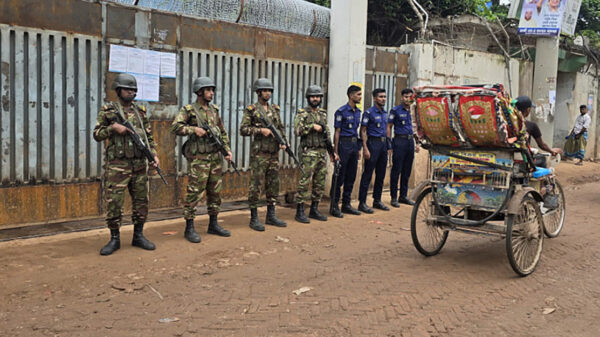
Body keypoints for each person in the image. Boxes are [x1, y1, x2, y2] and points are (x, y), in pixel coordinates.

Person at [93, 73, 158, 256]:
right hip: (118, 165)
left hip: (139, 164)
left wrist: (154, 155)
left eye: (133, 90)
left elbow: (148, 137)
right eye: (127, 89)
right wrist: (113, 128)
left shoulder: (140, 112)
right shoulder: (108, 111)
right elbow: (97, 134)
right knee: (115, 203)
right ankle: (114, 238)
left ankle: (138, 235)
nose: (131, 92)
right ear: (118, 90)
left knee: (141, 201)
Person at [170, 77, 233, 243]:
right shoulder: (189, 110)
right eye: (208, 90)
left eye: (212, 90)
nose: (211, 93)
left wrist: (227, 150)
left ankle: (213, 224)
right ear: (199, 91)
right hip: (199, 159)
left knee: (215, 192)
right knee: (194, 192)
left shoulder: (214, 110)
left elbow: (222, 132)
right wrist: (193, 129)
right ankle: (189, 227)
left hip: (215, 158)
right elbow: (175, 127)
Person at [240, 78, 288, 231]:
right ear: (259, 92)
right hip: (259, 154)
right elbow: (243, 129)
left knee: (273, 184)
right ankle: (254, 218)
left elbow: (280, 128)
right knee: (256, 186)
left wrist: (284, 142)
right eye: (265, 90)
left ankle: (271, 215)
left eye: (270, 91)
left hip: (273, 153)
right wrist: (260, 130)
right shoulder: (252, 110)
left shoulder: (274, 109)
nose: (268, 93)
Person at [293, 85, 338, 223]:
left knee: (319, 182)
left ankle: (314, 209)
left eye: (318, 96)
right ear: (308, 98)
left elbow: (327, 133)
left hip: (321, 152)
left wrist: (332, 152)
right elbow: (297, 131)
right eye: (313, 96)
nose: (315, 99)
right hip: (308, 152)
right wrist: (311, 127)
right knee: (305, 182)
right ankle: (300, 211)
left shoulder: (322, 114)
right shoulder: (302, 114)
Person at [331, 85, 363, 217]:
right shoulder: (341, 111)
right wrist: (335, 152)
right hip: (343, 144)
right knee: (339, 177)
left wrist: (359, 149)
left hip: (354, 145)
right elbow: (337, 132)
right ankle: (334, 206)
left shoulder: (358, 112)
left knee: (351, 176)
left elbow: (357, 131)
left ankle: (346, 204)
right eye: (358, 94)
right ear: (351, 95)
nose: (360, 97)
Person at [357, 88, 390, 214]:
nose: (383, 99)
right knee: (368, 174)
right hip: (372, 143)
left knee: (381, 174)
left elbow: (387, 129)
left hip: (383, 144)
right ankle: (362, 202)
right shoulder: (369, 113)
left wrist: (388, 146)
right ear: (375, 98)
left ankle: (377, 200)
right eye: (381, 97)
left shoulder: (385, 113)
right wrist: (365, 147)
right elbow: (363, 130)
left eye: (384, 96)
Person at [388, 88, 418, 207]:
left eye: (410, 97)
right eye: (405, 97)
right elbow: (389, 127)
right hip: (399, 141)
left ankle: (403, 196)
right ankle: (394, 197)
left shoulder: (414, 111)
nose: (407, 99)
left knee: (407, 171)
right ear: (401, 97)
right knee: (396, 170)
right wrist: (389, 144)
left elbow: (416, 127)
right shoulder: (395, 110)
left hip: (410, 141)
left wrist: (417, 142)